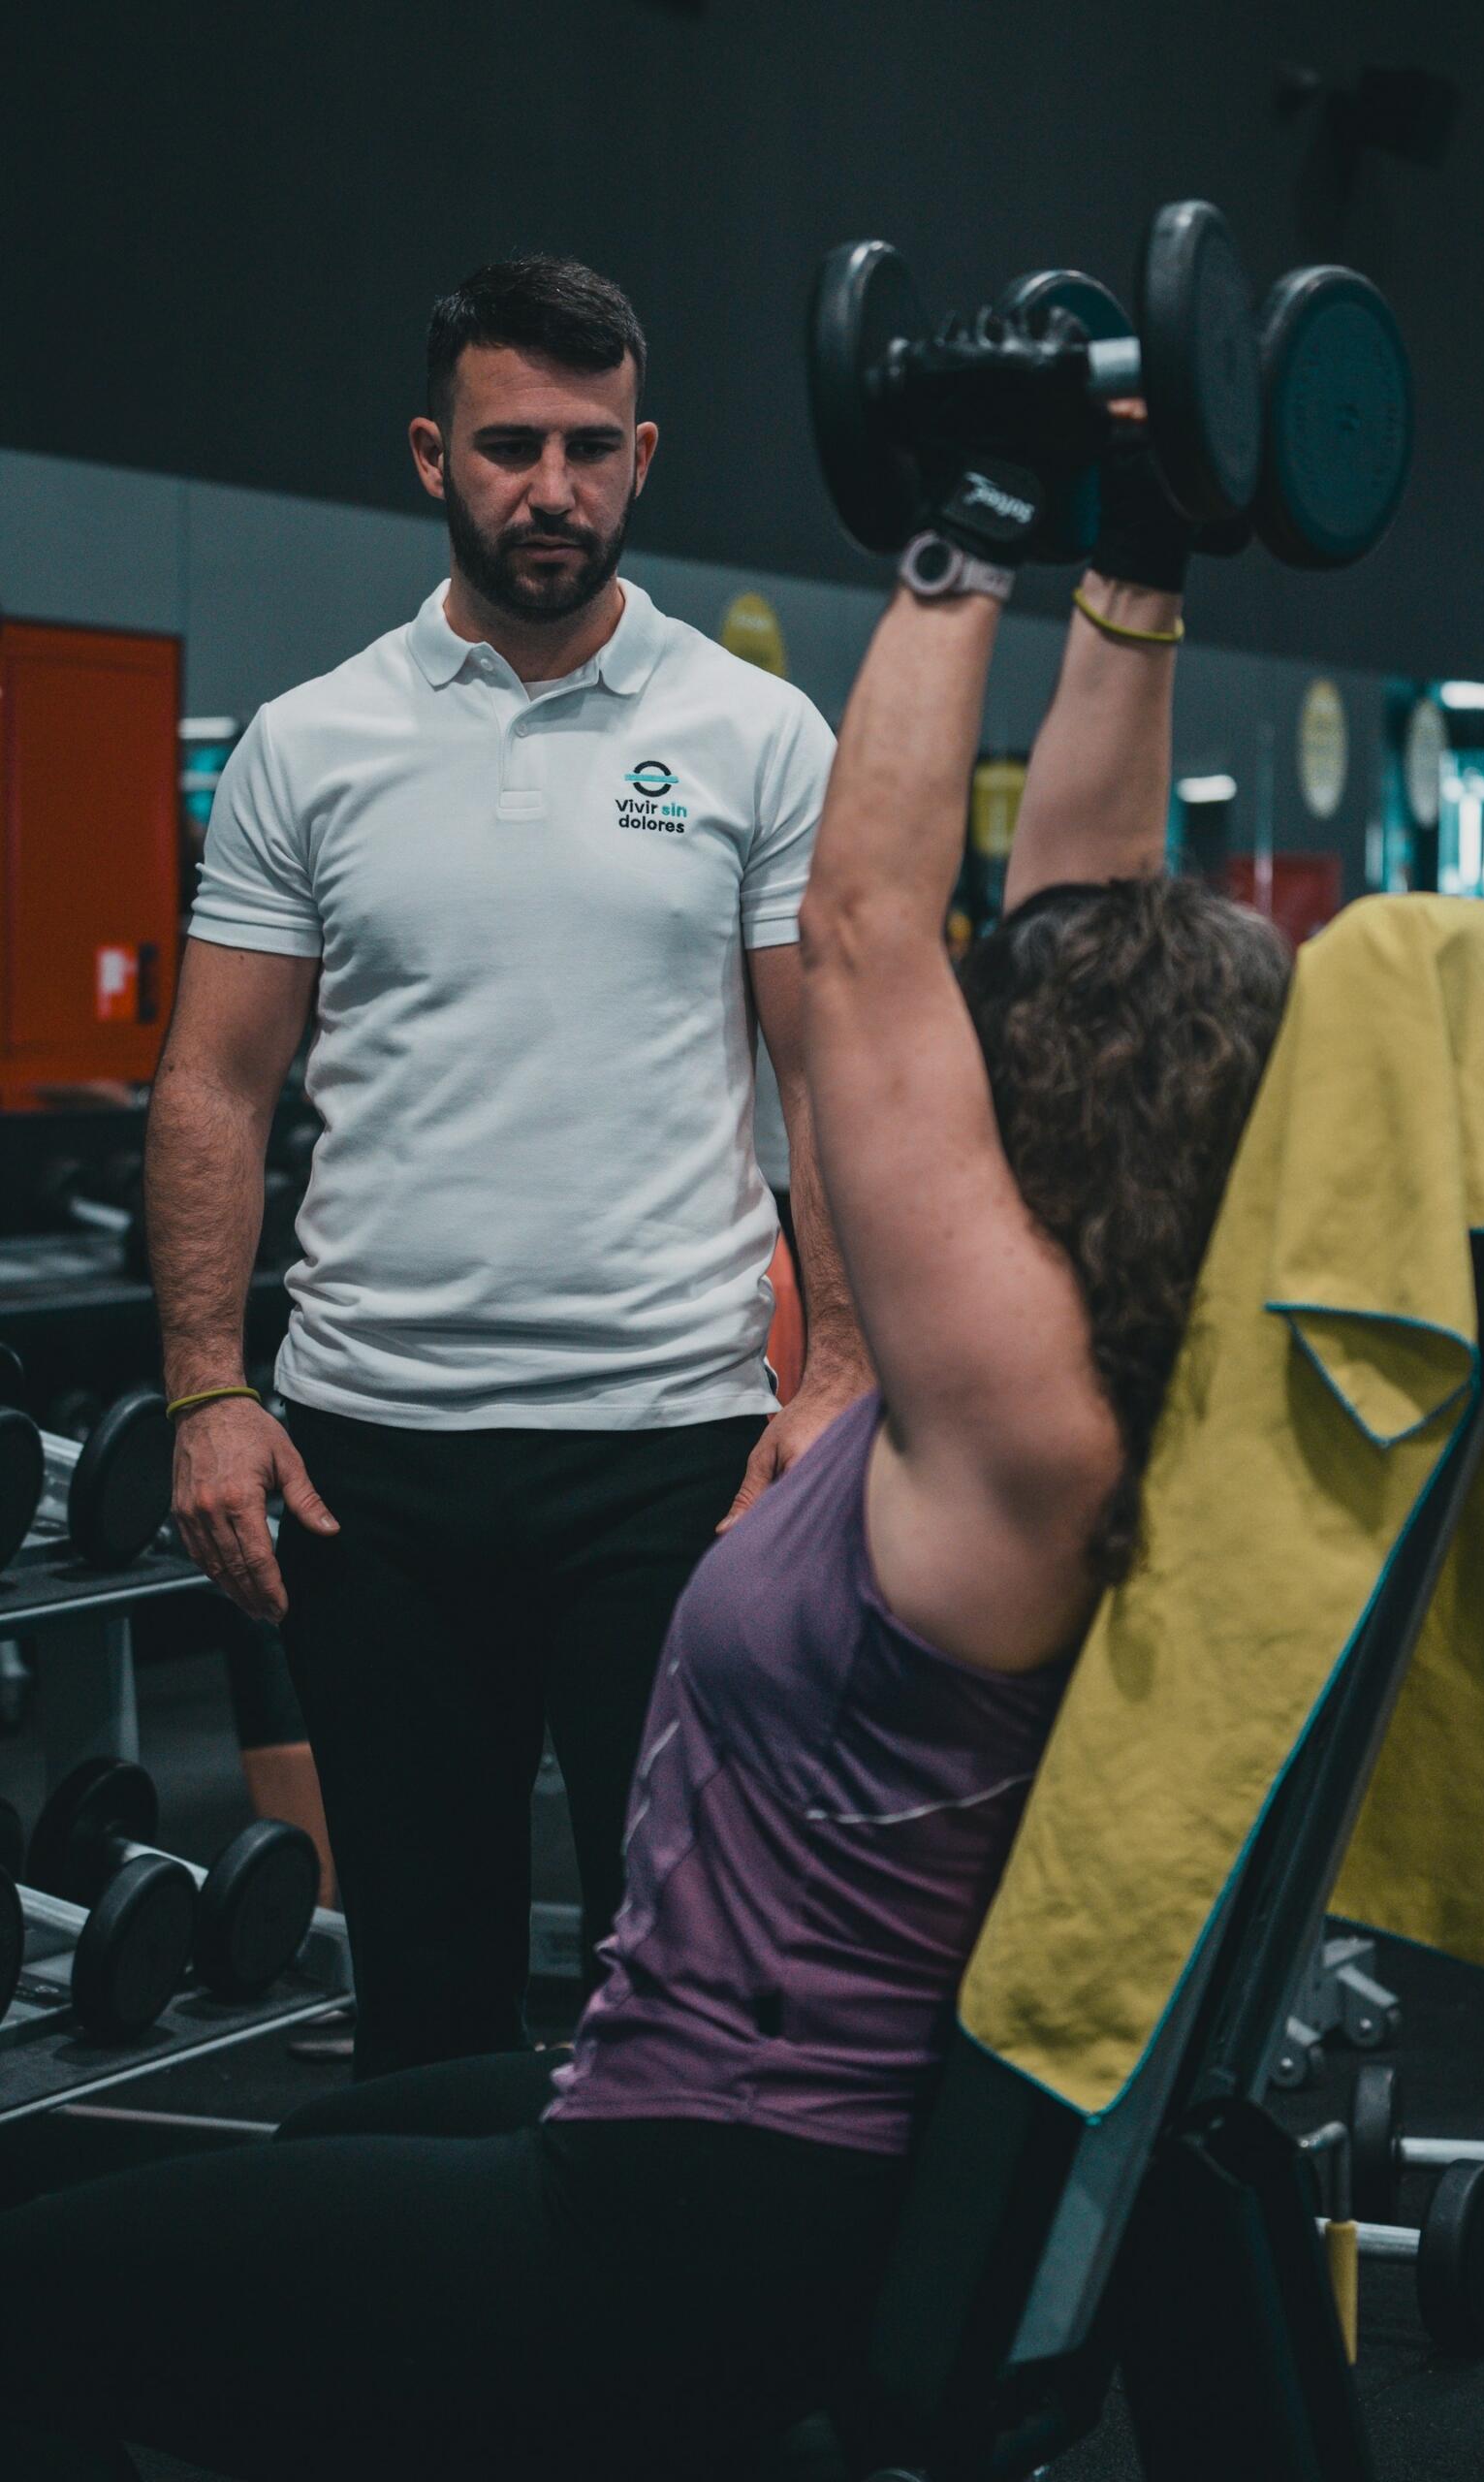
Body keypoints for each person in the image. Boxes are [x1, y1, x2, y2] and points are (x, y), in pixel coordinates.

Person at [0, 337, 1291, 2482]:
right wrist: (1137, 560)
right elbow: (1075, 904)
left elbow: (873, 943)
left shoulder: (996, 1420)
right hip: (731, 2113)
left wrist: (958, 530)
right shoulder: (1124, 1360)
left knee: (49, 2277)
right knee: (356, 2108)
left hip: (705, 2204)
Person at [146, 255, 871, 2071]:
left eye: (588, 447)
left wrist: (844, 1370)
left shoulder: (756, 734)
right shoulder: (311, 744)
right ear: (427, 455)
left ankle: (650, 2354)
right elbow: (215, 1085)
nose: (549, 489)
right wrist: (203, 1392)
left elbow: (828, 1076)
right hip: (371, 1471)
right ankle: (430, 2352)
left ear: (644, 456)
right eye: (507, 447)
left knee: (691, 1968)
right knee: (424, 1977)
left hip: (674, 1460)